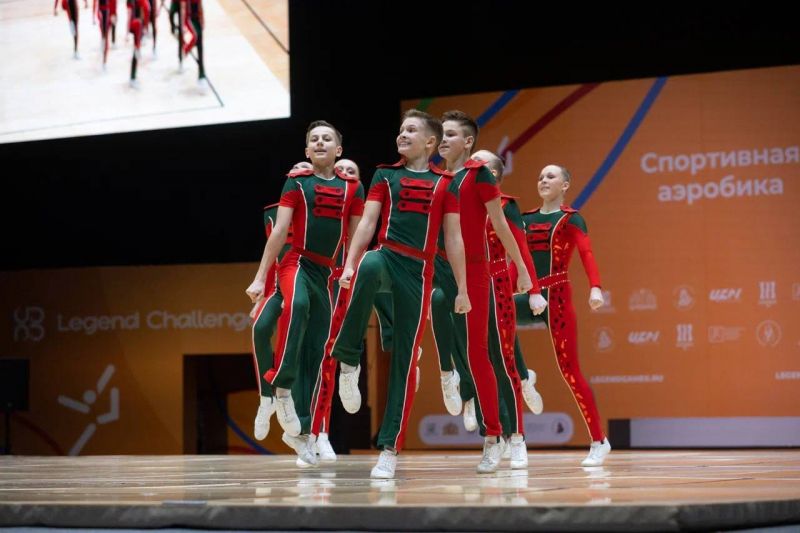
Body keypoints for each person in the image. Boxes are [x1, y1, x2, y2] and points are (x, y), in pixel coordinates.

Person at [317, 109, 470, 479]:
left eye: (410, 130)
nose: (402, 134)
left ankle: (389, 449)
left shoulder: (445, 184)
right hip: (387, 256)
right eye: (401, 129)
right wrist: (350, 264)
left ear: (430, 142)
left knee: (405, 359)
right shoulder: (386, 175)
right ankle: (349, 360)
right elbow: (368, 222)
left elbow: (453, 238)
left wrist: (462, 288)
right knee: (369, 265)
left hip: (418, 272)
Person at [431, 111, 535, 474]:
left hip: (479, 272)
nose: (443, 140)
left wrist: (523, 271)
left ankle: (506, 437)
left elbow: (502, 225)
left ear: (468, 141)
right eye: (440, 134)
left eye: (450, 134)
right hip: (443, 269)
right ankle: (457, 386)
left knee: (488, 356)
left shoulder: (479, 175)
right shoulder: (436, 179)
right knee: (467, 351)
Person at [259, 122, 364, 468]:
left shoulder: (353, 188)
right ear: (306, 151)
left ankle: (302, 433)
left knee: (317, 350)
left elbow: (356, 235)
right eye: (314, 140)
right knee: (297, 304)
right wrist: (260, 277)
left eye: (327, 139)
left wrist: (350, 267)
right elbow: (279, 233)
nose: (320, 143)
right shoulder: (297, 182)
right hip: (296, 262)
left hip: (327, 272)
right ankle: (280, 388)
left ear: (339, 150)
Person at [514, 164, 611, 467]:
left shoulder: (571, 219)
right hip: (529, 293)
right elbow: (515, 257)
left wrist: (595, 288)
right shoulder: (525, 219)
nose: (543, 180)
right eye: (540, 176)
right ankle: (524, 377)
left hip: (556, 296)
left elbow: (586, 253)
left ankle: (599, 440)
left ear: (565, 185)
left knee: (570, 371)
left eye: (550, 176)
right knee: (493, 318)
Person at [471, 149, 545, 470]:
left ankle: (516, 438)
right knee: (476, 364)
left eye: (479, 163)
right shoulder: (458, 203)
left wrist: (534, 288)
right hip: (468, 284)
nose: (472, 167)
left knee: (503, 362)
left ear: (493, 174)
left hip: (497, 284)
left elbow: (520, 248)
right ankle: (492, 438)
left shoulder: (505, 206)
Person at [182, 0, 207, 89]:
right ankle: (185, 50)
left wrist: (202, 19)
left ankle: (201, 74)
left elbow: (200, 5)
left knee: (200, 47)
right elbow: (183, 8)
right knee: (195, 36)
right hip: (189, 19)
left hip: (197, 19)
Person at [127, 0, 150, 88]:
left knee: (136, 52)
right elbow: (130, 13)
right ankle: (133, 77)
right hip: (137, 26)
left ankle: (133, 77)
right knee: (136, 51)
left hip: (138, 26)